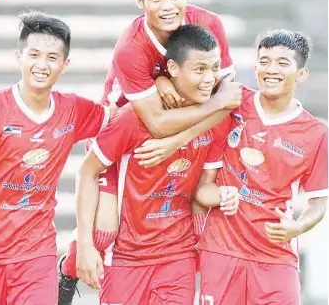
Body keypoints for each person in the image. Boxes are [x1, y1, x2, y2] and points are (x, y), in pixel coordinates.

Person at [58, 0, 237, 304]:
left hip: (182, 121)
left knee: (194, 209)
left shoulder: (208, 26)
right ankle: (69, 267)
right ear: (140, 2)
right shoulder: (131, 46)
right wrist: (184, 95)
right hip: (125, 121)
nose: (169, 6)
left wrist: (181, 137)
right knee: (106, 227)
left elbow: (229, 96)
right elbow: (154, 121)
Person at [0, 11, 111, 305]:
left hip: (36, 252)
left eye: (52, 58)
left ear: (65, 65)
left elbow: (118, 120)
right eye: (34, 55)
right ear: (19, 57)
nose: (42, 64)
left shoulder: (73, 110)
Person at [134, 29, 328, 305]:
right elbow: (205, 187)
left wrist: (296, 228)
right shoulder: (233, 103)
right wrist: (164, 80)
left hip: (275, 257)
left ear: (301, 74)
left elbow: (318, 202)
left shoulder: (315, 133)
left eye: (282, 63)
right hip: (222, 251)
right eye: (264, 61)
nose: (270, 70)